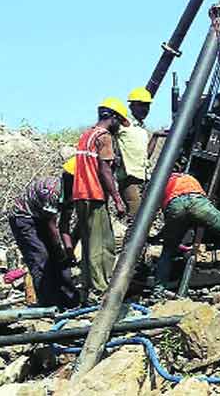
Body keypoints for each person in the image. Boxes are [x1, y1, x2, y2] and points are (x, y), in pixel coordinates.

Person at [153, 172, 220, 296]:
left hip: (174, 206)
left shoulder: (162, 181)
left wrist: (164, 237)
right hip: (197, 203)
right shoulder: (188, 178)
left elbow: (159, 210)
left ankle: (158, 291)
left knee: (168, 250)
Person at [72, 97, 129, 303]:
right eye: (119, 122)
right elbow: (104, 170)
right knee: (102, 244)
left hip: (80, 195)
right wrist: (118, 199)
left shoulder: (86, 134)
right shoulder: (104, 136)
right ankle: (101, 290)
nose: (118, 127)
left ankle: (87, 287)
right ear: (112, 118)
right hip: (94, 194)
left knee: (88, 243)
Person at [8, 175, 79, 309]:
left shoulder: (73, 195)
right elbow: (51, 225)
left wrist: (69, 251)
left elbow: (64, 225)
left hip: (41, 216)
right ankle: (47, 304)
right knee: (40, 258)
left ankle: (69, 300)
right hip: (23, 217)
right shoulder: (52, 192)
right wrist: (59, 250)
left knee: (59, 260)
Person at [114, 87, 153, 219]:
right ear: (132, 105)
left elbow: (145, 155)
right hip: (128, 179)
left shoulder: (141, 129)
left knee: (143, 216)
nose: (145, 109)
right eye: (142, 105)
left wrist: (157, 137)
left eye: (147, 106)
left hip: (142, 179)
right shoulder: (123, 123)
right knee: (136, 216)